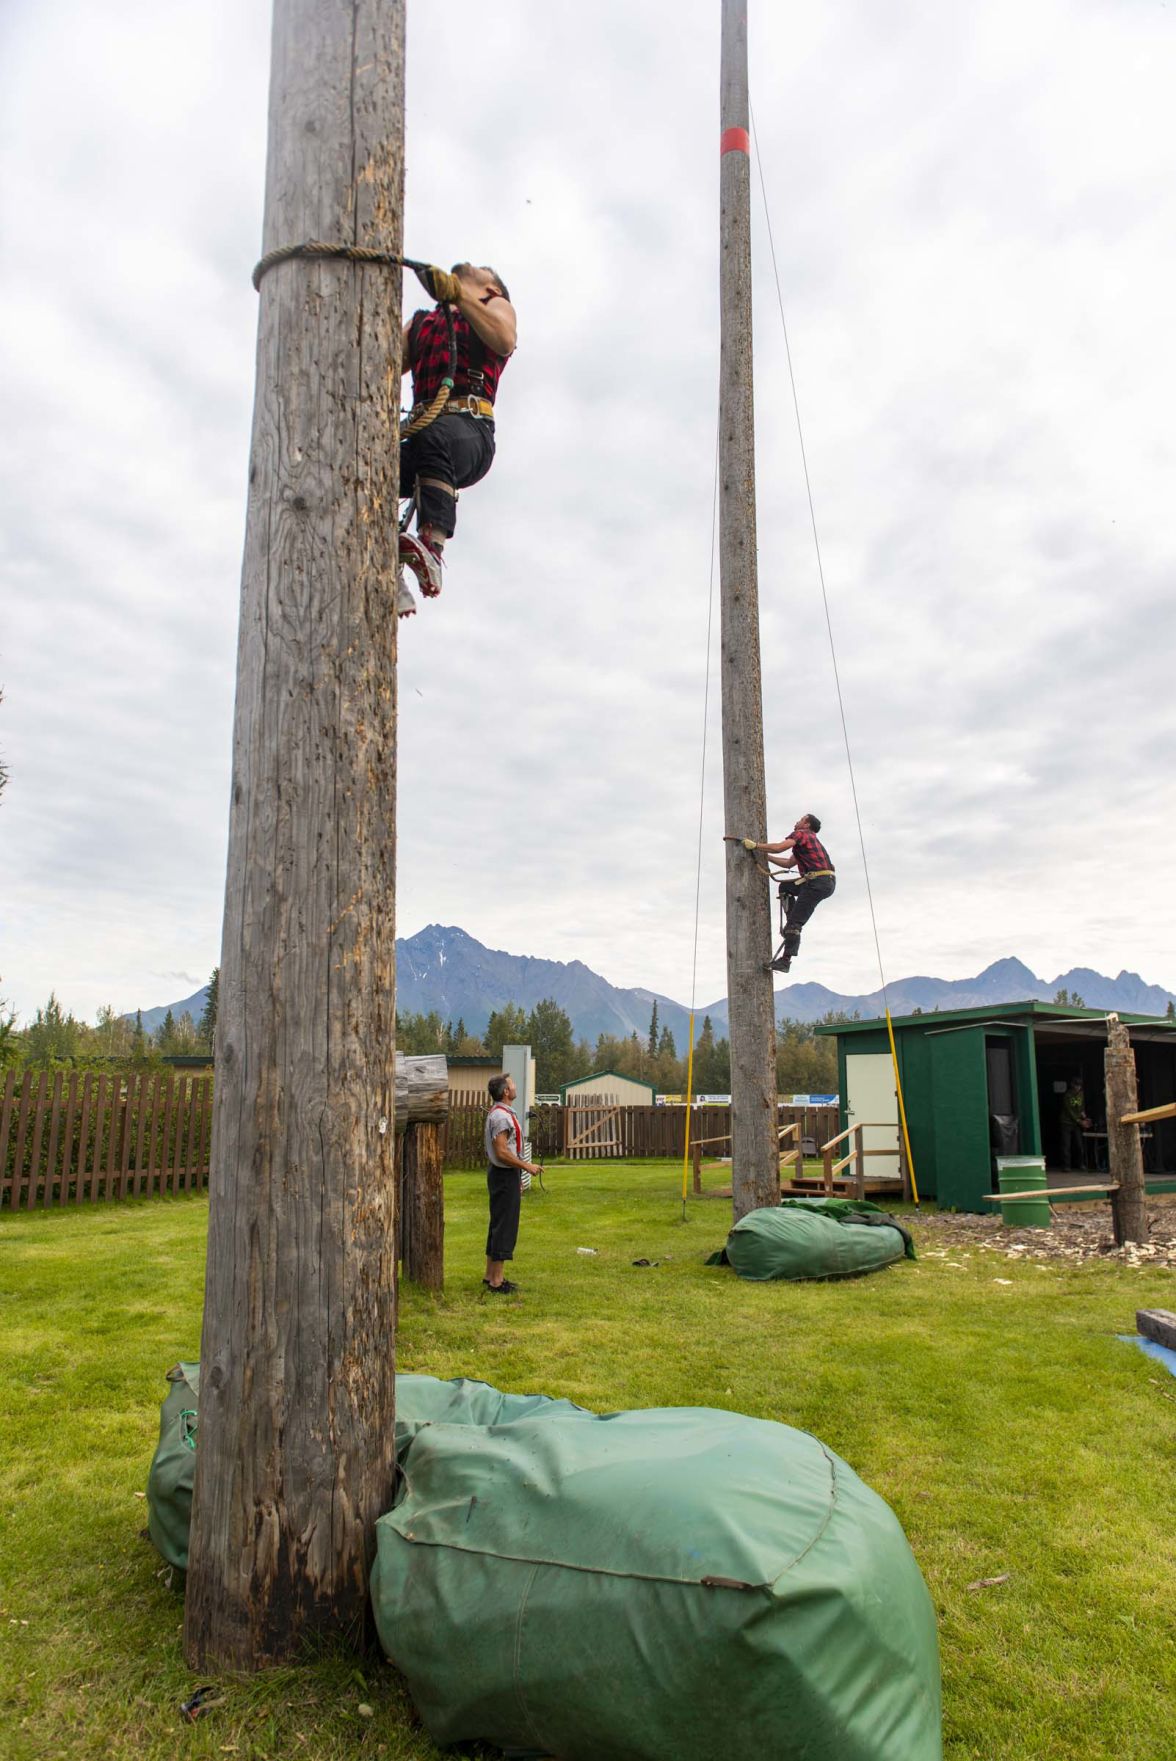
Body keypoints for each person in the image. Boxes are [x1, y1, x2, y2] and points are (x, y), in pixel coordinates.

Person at [397, 263, 517, 617]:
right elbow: (382, 362)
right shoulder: (423, 323)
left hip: (470, 430)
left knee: (437, 435)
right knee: (373, 468)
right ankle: (387, 566)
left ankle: (432, 548)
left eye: (482, 270)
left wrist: (458, 295)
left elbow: (504, 338)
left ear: (491, 289)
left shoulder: (495, 306)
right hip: (423, 434)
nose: (471, 266)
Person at [746, 814, 836, 973]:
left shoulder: (802, 834)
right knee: (785, 887)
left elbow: (779, 847)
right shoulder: (808, 841)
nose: (797, 821)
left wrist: (756, 846)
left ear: (806, 824)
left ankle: (785, 960)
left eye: (801, 819)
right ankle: (791, 925)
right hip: (822, 882)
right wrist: (765, 856)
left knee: (795, 924)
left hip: (817, 882)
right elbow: (788, 863)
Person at [483, 1072, 541, 1295]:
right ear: (506, 1091)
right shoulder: (500, 1117)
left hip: (504, 1175)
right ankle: (497, 1281)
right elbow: (502, 1151)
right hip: (503, 1175)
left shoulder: (503, 1113)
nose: (515, 1086)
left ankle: (490, 1275)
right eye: (512, 1084)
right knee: (504, 1226)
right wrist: (527, 1167)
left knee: (498, 1223)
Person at [1057, 1076, 1091, 1172]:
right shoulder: (1067, 1095)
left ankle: (1081, 1164)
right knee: (1066, 1145)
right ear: (1072, 1085)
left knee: (1079, 1144)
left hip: (1077, 1123)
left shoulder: (1081, 1095)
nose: (1078, 1088)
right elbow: (1069, 1111)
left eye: (1079, 1086)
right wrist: (1080, 1121)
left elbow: (1081, 1107)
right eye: (1076, 1085)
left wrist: (1084, 1117)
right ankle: (1066, 1166)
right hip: (1066, 1122)